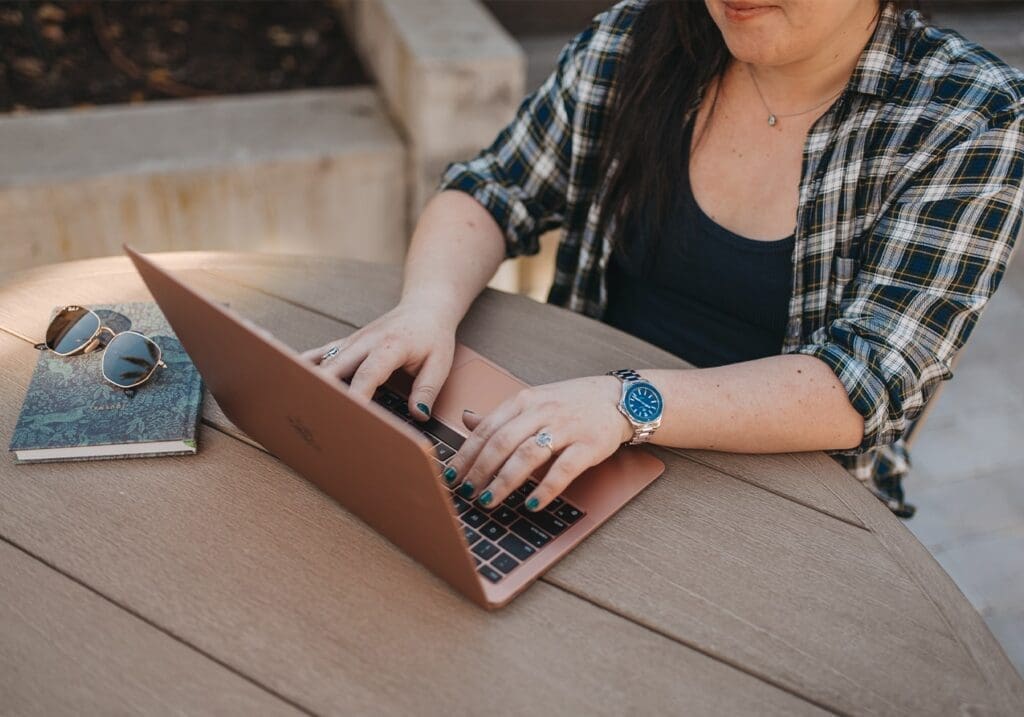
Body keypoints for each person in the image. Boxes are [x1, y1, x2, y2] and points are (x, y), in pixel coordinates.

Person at [303, 0, 1023, 518]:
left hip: (792, 502)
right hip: (582, 440)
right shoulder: (636, 37)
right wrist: (424, 308)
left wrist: (626, 402)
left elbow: (864, 380)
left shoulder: (970, 115)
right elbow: (493, 189)